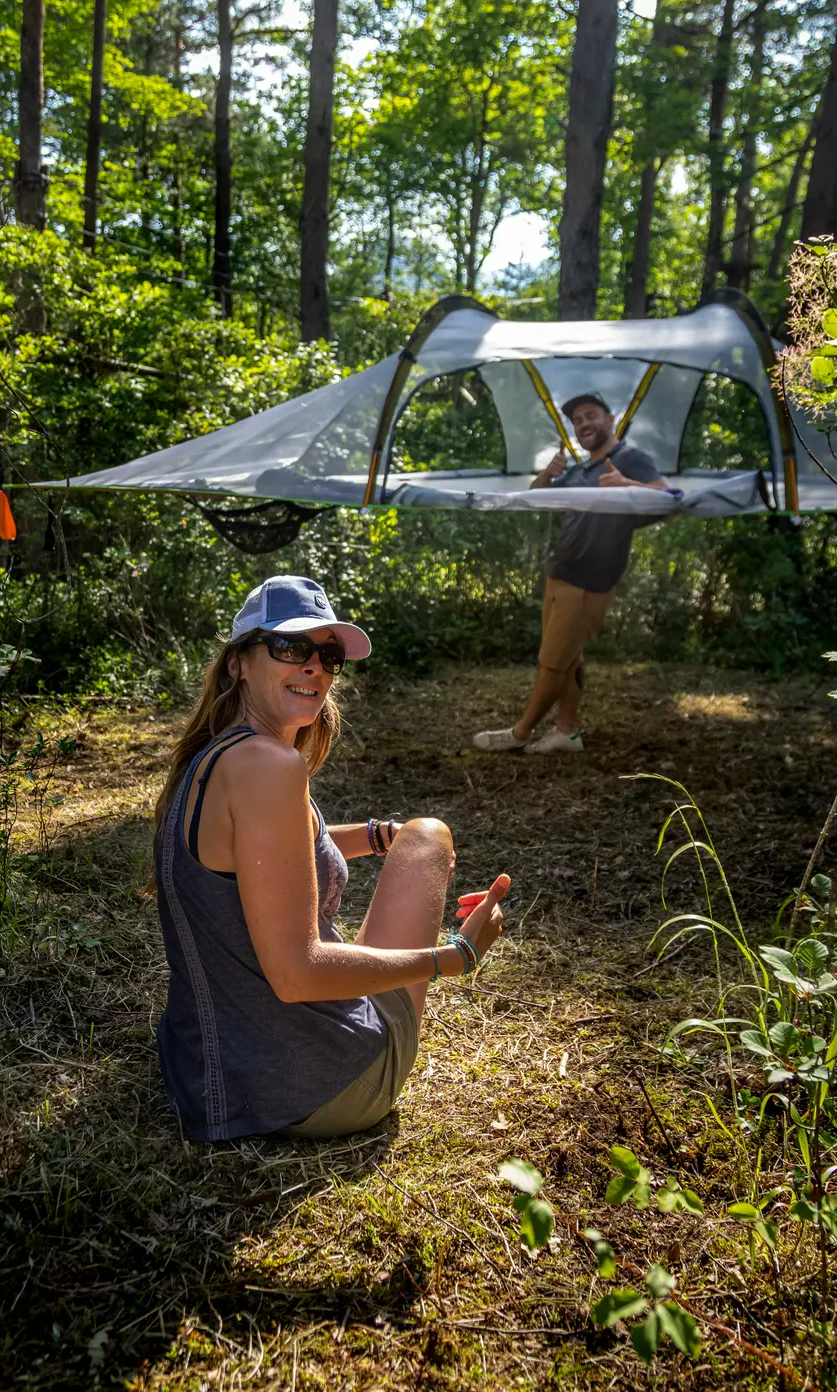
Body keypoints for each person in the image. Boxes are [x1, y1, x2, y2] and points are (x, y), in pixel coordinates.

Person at [154, 574, 511, 1141]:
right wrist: (455, 956)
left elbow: (265, 853)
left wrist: (377, 836)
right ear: (237, 663)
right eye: (291, 648)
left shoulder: (210, 758)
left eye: (328, 655)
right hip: (310, 1087)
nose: (314, 667)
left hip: (204, 1068)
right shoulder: (272, 769)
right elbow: (297, 973)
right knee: (432, 835)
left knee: (416, 835)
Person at [473, 391, 667, 755]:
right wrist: (548, 474)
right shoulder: (581, 470)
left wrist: (628, 486)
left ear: (611, 420)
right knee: (569, 658)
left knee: (552, 663)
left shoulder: (629, 459)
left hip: (589, 582)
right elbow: (535, 497)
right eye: (577, 421)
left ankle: (519, 733)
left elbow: (668, 496)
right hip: (559, 573)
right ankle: (567, 732)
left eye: (591, 416)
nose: (583, 425)